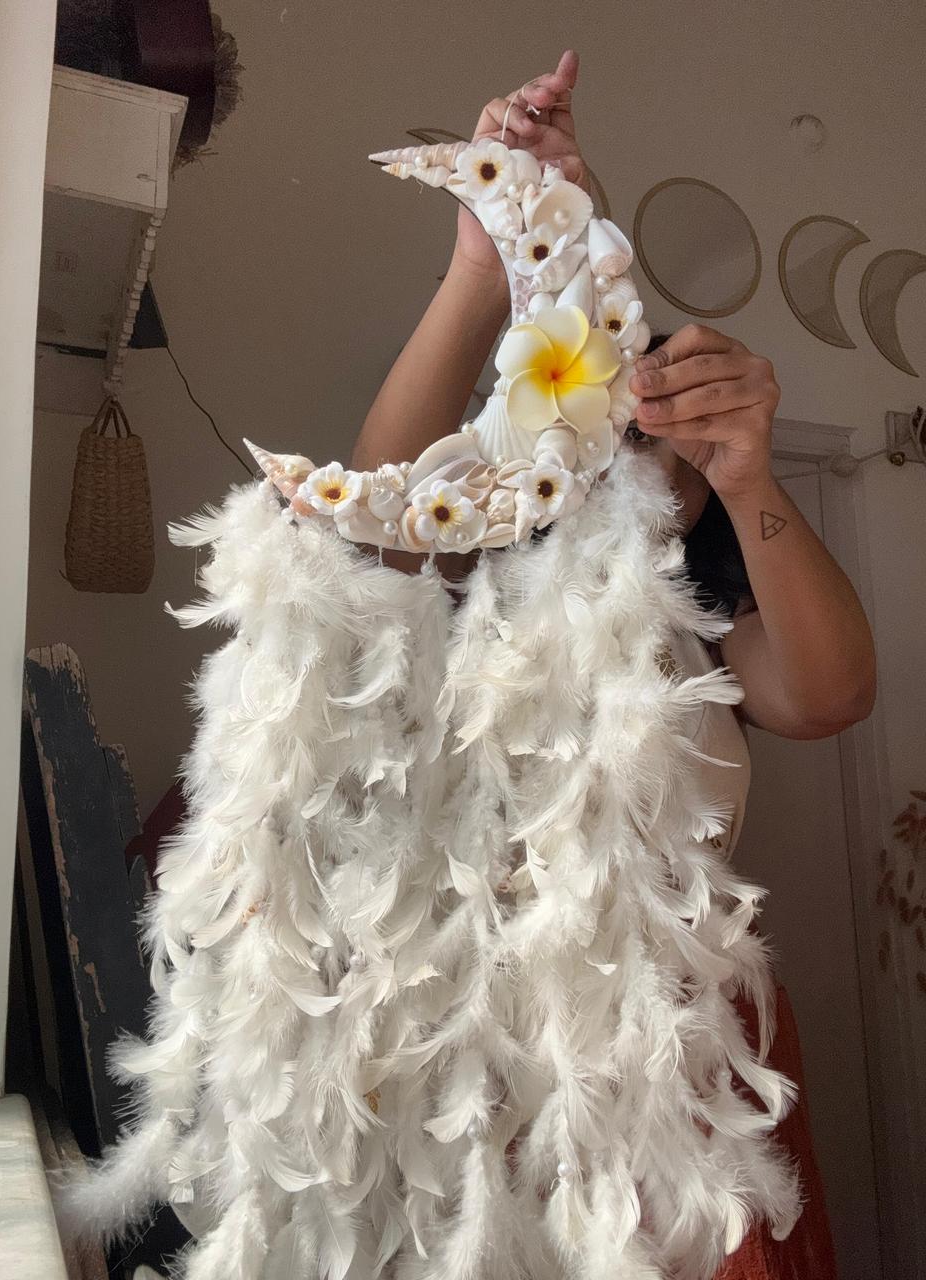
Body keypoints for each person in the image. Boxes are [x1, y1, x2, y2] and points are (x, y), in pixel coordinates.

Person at [352, 49, 871, 1277]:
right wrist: (490, 260)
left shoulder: (706, 627)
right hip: (494, 1077)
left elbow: (835, 693)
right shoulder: (460, 601)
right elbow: (372, 533)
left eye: (646, 435)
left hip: (689, 1080)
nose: (606, 456)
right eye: (575, 425)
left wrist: (750, 474)